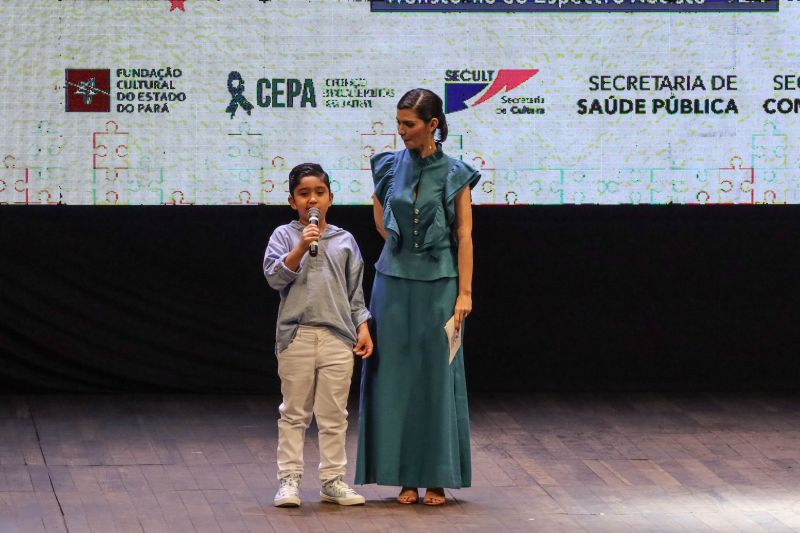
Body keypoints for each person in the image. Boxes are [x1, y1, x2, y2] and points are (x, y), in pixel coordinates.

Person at [355, 89, 480, 506]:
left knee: (435, 377)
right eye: (399, 124)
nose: (402, 131)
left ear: (432, 125)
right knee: (395, 377)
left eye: (409, 124)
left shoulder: (455, 172)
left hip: (440, 284)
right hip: (392, 282)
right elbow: (379, 214)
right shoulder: (388, 165)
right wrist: (397, 245)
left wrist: (464, 292)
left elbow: (464, 234)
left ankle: (437, 477)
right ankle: (405, 476)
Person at [263, 162, 373, 507]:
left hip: (338, 336)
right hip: (296, 335)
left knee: (333, 415)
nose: (312, 200)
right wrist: (299, 247)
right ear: (293, 201)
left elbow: (354, 292)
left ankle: (332, 480)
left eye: (319, 193)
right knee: (294, 412)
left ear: (330, 198)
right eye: (304, 193)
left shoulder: (344, 240)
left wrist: (363, 326)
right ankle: (290, 480)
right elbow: (274, 278)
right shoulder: (283, 235)